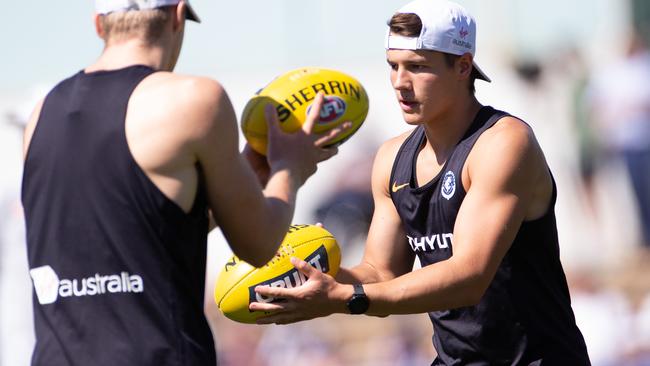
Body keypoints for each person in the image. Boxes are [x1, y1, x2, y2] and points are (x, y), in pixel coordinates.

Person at [250, 0, 591, 364]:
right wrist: (314, 274)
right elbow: (380, 273)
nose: (400, 82)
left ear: (463, 67)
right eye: (392, 66)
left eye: (416, 67)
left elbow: (468, 276)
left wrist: (346, 298)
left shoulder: (504, 143)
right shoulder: (391, 159)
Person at [21, 0, 345, 365]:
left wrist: (246, 174)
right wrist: (290, 168)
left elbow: (134, 236)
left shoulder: (41, 114)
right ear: (177, 17)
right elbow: (258, 246)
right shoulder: (193, 98)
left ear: (99, 25)